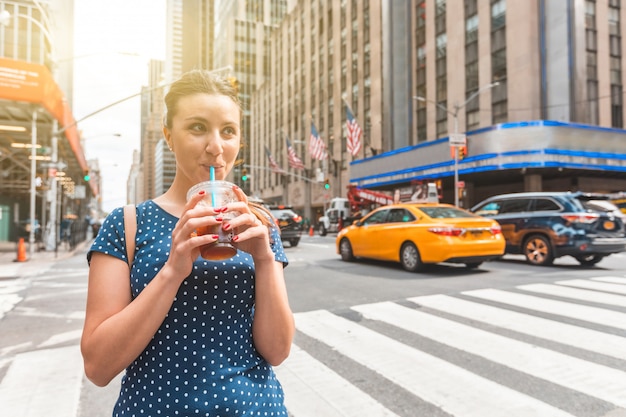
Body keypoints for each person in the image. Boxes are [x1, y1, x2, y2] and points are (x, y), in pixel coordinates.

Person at [81, 69, 295, 416]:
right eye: (197, 128)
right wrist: (172, 271)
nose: (215, 146)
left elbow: (277, 350)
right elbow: (98, 366)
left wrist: (265, 261)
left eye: (228, 131)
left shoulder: (259, 222)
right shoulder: (128, 224)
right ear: (168, 135)